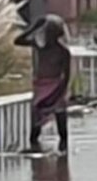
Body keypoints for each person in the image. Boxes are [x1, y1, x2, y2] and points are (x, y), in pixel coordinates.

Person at [15, 14, 72, 154]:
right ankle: (36, 157)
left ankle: (62, 159)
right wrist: (34, 27)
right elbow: (18, 41)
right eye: (47, 31)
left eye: (51, 32)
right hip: (41, 87)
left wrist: (60, 93)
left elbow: (67, 75)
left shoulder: (63, 51)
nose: (48, 35)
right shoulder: (40, 46)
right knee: (35, 128)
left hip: (56, 87)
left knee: (62, 127)